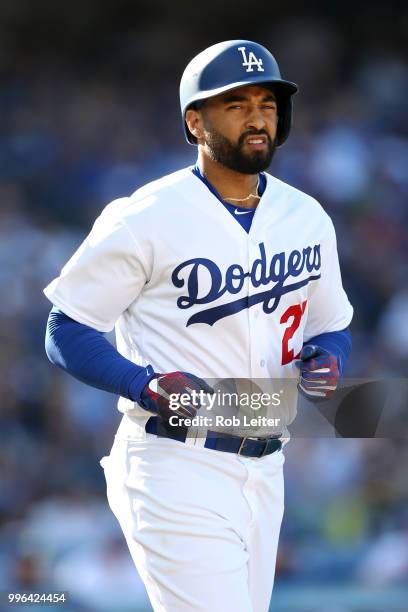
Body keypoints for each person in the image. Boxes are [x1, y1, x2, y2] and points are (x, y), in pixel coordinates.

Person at [44, 40, 353, 612]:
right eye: (236, 104)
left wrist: (328, 358)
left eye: (267, 102)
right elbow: (66, 328)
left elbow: (332, 326)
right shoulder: (146, 216)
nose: (258, 116)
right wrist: (142, 383)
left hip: (267, 463)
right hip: (175, 461)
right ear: (195, 120)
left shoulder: (306, 216)